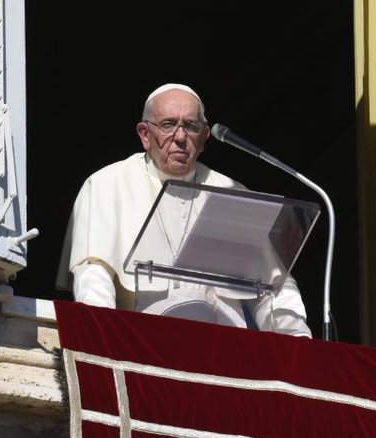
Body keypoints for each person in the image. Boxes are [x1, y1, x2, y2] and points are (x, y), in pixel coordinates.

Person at [56, 83, 311, 337]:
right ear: (145, 134)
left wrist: (297, 343)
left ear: (204, 137)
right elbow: (94, 274)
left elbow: (272, 288)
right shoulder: (108, 183)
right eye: (168, 124)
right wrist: (100, 338)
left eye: (190, 126)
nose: (180, 137)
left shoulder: (233, 192)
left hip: (228, 349)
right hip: (144, 342)